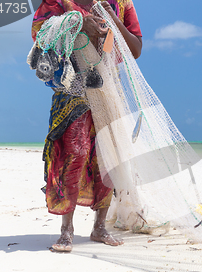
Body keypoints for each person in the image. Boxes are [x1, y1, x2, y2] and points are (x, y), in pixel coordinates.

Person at [31, 0, 143, 252]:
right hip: (71, 87)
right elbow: (40, 34)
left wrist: (113, 19)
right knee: (74, 152)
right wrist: (79, 24)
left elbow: (135, 48)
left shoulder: (121, 3)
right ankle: (66, 230)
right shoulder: (57, 1)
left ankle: (100, 227)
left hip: (107, 87)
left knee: (107, 155)